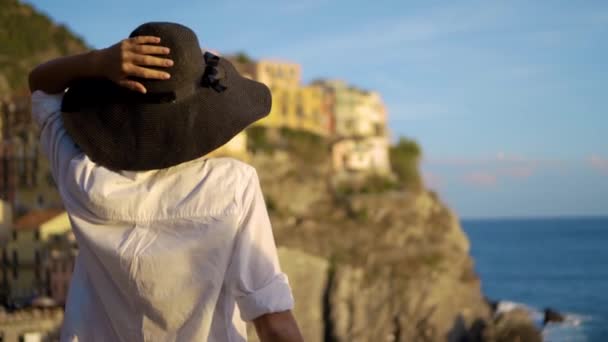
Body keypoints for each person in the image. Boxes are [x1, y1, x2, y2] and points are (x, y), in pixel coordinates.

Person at [28, 22, 304, 342]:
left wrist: (99, 62)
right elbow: (274, 323)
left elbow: (39, 85)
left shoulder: (80, 175)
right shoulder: (233, 185)